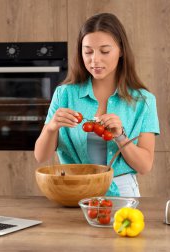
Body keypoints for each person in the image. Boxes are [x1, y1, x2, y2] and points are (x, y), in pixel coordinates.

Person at [34, 12, 160, 197]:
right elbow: (41, 156)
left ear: (121, 51)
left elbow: (145, 166)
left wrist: (121, 137)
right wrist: (51, 127)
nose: (95, 60)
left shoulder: (144, 100)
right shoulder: (64, 94)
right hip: (73, 187)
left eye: (105, 51)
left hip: (123, 192)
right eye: (88, 51)